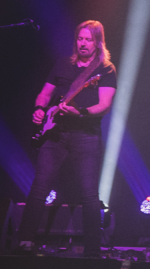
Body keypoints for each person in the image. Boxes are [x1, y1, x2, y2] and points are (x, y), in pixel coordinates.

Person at [18, 21, 117, 256]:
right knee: (39, 187)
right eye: (80, 39)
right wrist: (39, 110)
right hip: (56, 134)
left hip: (86, 135)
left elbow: (104, 105)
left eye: (88, 40)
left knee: (89, 194)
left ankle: (93, 249)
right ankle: (24, 241)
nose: (83, 43)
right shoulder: (63, 64)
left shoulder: (105, 69)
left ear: (97, 42)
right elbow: (44, 93)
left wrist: (80, 112)